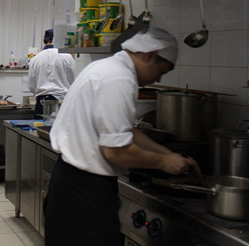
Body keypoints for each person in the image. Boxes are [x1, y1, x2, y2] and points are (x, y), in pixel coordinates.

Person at [44, 27, 202, 246]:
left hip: (71, 183)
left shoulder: (105, 67)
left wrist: (168, 153)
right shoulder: (119, 79)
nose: (158, 79)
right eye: (162, 71)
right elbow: (116, 152)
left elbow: (127, 131)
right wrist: (164, 162)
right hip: (85, 193)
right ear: (150, 56)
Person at [28, 29, 75, 119]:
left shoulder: (35, 59)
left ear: (44, 41)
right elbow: (73, 80)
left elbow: (31, 85)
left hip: (42, 103)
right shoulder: (67, 56)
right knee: (60, 127)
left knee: (40, 127)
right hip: (61, 102)